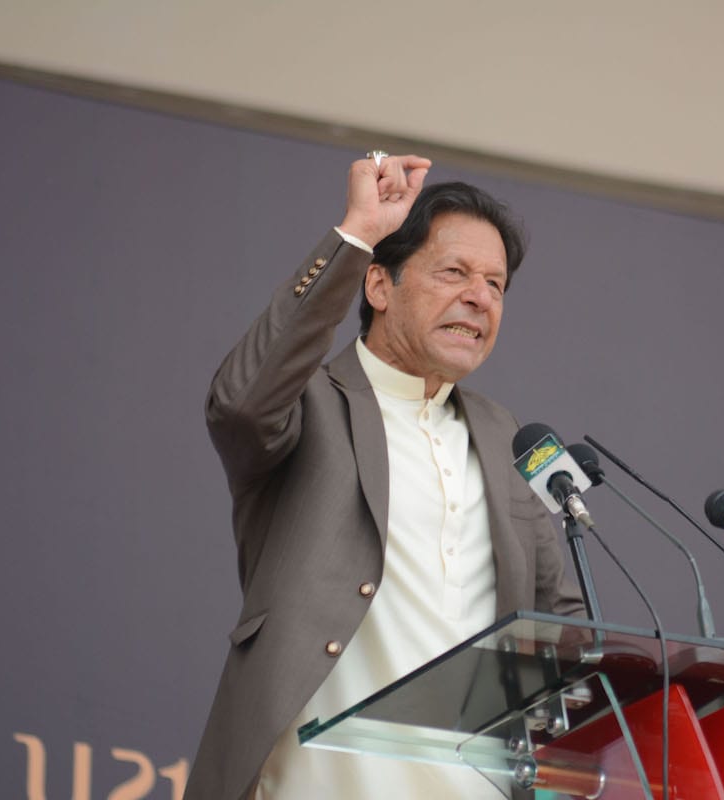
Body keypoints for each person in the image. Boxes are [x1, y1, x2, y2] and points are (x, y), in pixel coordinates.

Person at [183, 153, 585, 800]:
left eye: (495, 284)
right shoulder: (308, 405)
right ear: (378, 286)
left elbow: (559, 622)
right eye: (453, 272)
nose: (479, 297)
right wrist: (357, 233)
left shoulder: (505, 436)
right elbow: (238, 404)